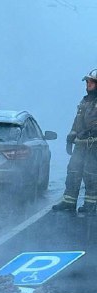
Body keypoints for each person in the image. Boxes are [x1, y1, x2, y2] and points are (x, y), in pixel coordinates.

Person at [52, 69, 97, 214]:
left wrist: (92, 132)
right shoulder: (84, 101)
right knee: (73, 171)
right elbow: (77, 122)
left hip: (94, 145)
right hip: (80, 145)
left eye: (91, 82)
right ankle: (69, 202)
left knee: (91, 174)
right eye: (87, 82)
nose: (88, 84)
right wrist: (71, 136)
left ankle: (91, 205)